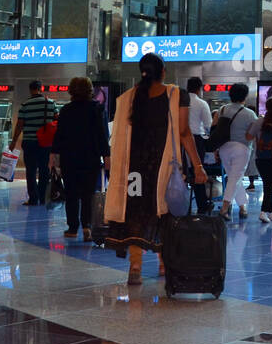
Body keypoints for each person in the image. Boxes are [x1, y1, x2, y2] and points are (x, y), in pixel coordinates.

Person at [103, 53, 206, 284]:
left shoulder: (128, 97)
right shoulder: (175, 94)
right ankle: (163, 264)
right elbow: (183, 133)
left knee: (136, 213)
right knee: (164, 212)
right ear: (162, 71)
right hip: (163, 167)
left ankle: (136, 267)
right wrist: (198, 166)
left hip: (134, 169)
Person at [52, 77, 110, 241]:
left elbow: (60, 135)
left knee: (71, 194)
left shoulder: (66, 110)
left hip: (69, 157)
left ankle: (72, 228)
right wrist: (106, 156)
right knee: (88, 194)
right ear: (90, 90)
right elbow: (102, 135)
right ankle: (87, 227)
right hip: (90, 157)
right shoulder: (97, 109)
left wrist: (54, 155)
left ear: (71, 90)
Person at [11, 81, 59, 206]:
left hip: (29, 142)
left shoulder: (25, 105)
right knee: (44, 170)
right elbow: (57, 121)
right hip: (46, 143)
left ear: (30, 89)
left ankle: (33, 198)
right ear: (40, 88)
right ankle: (43, 197)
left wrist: (14, 141)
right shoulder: (51, 103)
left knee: (31, 171)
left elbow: (19, 125)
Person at [216, 84, 257, 222]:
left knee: (235, 178)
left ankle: (242, 207)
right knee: (234, 178)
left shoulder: (222, 110)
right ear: (245, 96)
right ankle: (224, 208)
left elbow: (215, 129)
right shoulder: (250, 114)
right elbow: (251, 134)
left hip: (224, 148)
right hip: (242, 148)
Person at [247, 97, 272, 222]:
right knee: (269, 185)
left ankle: (270, 211)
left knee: (267, 184)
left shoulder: (258, 121)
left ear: (266, 107)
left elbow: (248, 137)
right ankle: (264, 212)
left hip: (260, 157)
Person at [186, 77, 214, 214]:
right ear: (199, 89)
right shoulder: (201, 103)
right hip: (196, 140)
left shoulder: (179, 102)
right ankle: (202, 205)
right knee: (198, 171)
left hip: (178, 140)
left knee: (180, 171)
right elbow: (208, 125)